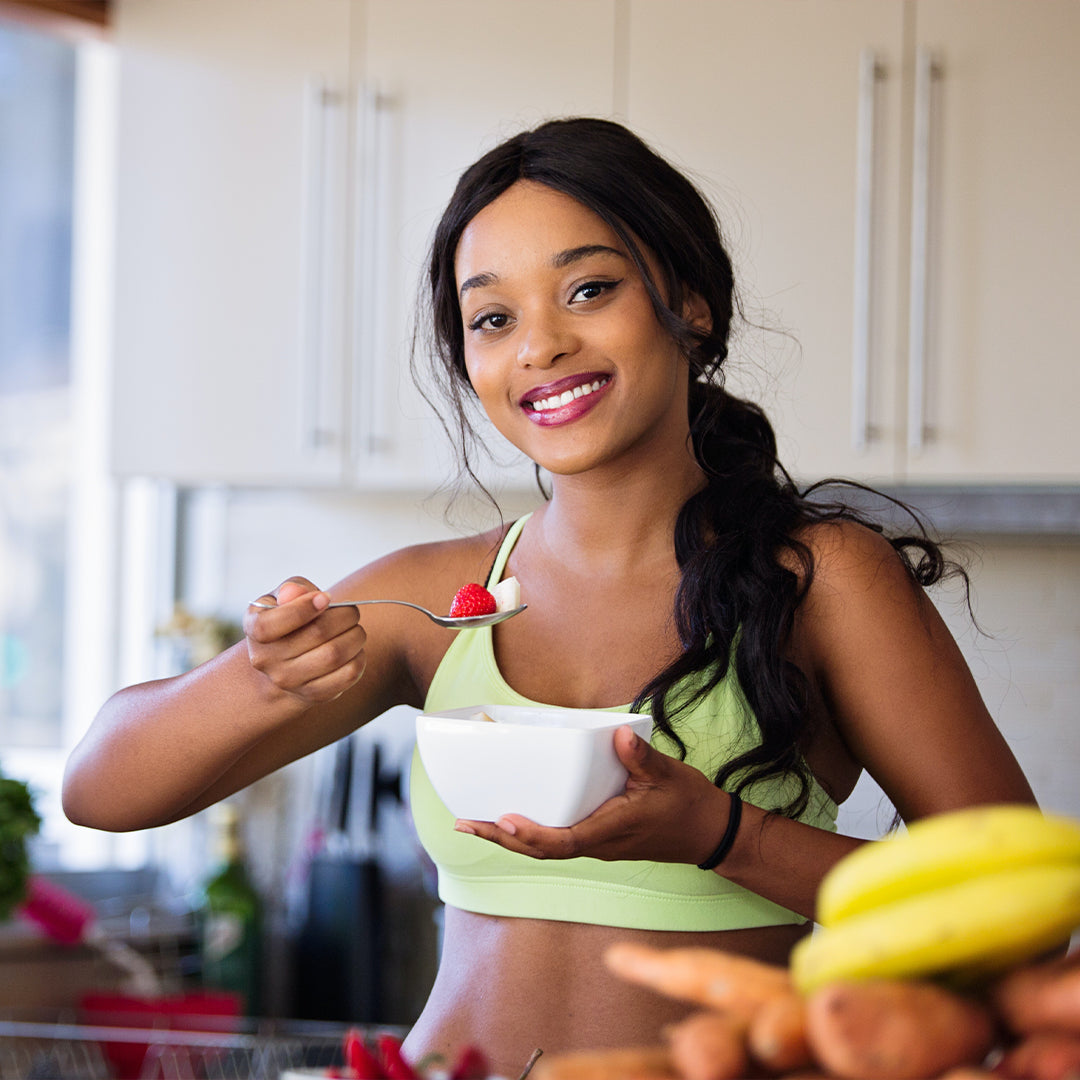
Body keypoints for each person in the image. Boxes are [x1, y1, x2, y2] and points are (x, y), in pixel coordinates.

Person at [63, 118, 1035, 1075]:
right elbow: (101, 789)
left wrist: (723, 835)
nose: (542, 344)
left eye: (590, 289)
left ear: (688, 303)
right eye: (493, 317)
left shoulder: (819, 581)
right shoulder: (436, 599)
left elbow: (1019, 924)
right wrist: (265, 681)